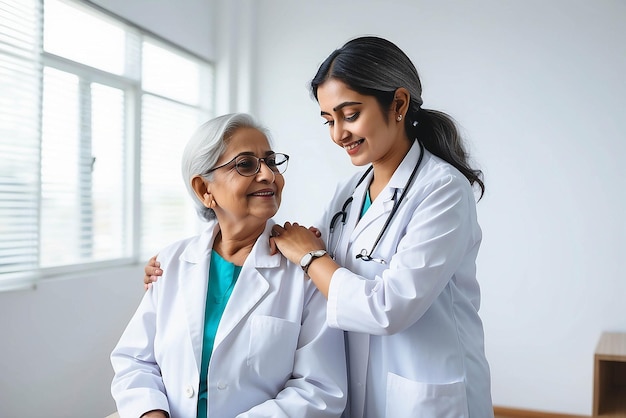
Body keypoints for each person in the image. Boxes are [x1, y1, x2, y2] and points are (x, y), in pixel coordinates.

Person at [146, 36, 493, 417]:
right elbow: (289, 243)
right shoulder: (350, 193)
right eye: (329, 120)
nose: (338, 134)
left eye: (350, 114)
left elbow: (388, 307)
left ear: (398, 104)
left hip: (423, 394)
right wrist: (178, 264)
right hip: (362, 391)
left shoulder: (443, 189)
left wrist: (311, 259)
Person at [113, 113, 347, 418]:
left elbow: (319, 388)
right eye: (246, 164)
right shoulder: (171, 263)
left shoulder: (305, 272)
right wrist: (150, 412)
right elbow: (135, 360)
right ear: (204, 189)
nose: (268, 175)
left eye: (271, 161)